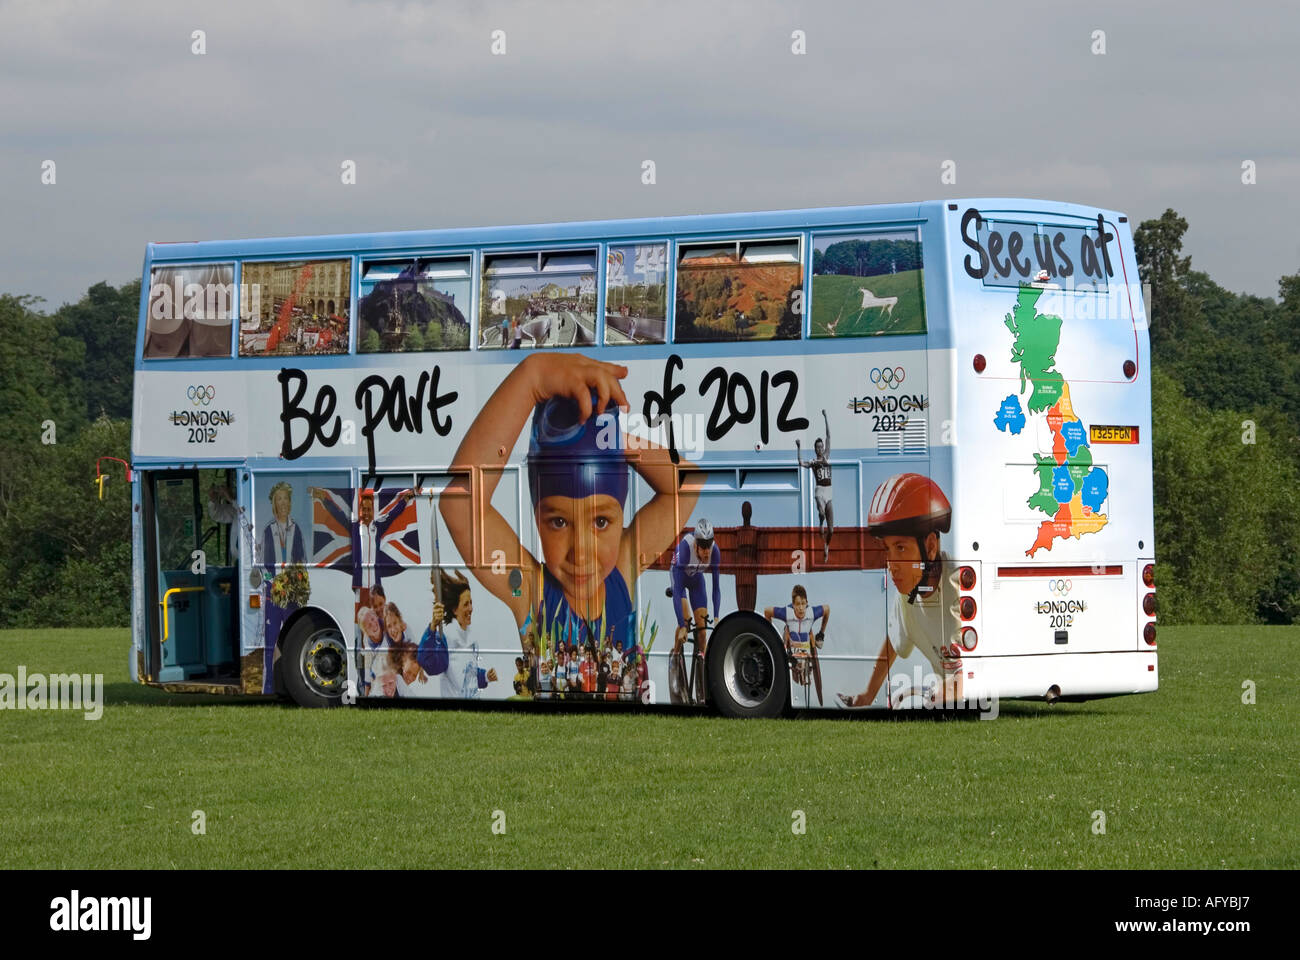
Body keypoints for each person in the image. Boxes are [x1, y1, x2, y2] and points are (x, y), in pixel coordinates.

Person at [441, 353, 696, 668]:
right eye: (559, 522)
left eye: (601, 521)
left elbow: (687, 484)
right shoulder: (533, 594)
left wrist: (614, 440)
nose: (582, 552)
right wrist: (530, 379)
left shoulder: (622, 571)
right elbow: (458, 504)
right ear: (537, 519)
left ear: (620, 519)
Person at [836, 473, 960, 709]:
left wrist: (929, 694)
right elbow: (894, 641)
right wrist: (868, 695)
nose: (891, 564)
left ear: (931, 547)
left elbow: (973, 672)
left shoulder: (959, 588)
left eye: (900, 548)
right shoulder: (907, 596)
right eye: (887, 549)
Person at [418, 569, 498, 699]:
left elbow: (467, 673)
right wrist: (433, 626)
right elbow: (430, 664)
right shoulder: (446, 637)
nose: (471, 608)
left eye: (471, 602)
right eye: (466, 604)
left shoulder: (470, 637)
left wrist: (485, 677)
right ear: (455, 610)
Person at [670, 517, 720, 704]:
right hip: (680, 581)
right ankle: (675, 661)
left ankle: (701, 679)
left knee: (702, 634)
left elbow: (716, 587)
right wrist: (681, 624)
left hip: (697, 581)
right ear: (696, 544)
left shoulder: (715, 552)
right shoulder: (685, 549)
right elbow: (677, 590)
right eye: (703, 546)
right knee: (687, 623)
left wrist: (715, 616)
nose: (707, 550)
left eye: (709, 545)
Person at [765, 584, 830, 704]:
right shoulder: (786, 612)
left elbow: (827, 609)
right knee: (794, 634)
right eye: (797, 604)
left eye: (803, 604)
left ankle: (804, 665)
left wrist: (821, 633)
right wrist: (771, 636)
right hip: (791, 639)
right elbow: (767, 611)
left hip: (804, 641)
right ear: (793, 605)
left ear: (807, 603)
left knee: (803, 636)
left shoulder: (811, 612)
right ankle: (795, 662)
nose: (800, 608)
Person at [796, 409, 834, 563]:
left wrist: (825, 416)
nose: (819, 449)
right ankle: (820, 520)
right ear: (814, 449)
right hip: (819, 491)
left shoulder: (826, 456)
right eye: (817, 447)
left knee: (831, 529)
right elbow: (800, 463)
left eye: (821, 446)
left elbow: (829, 436)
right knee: (821, 512)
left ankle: (826, 545)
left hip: (829, 491)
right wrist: (798, 447)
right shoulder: (813, 462)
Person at [733, 500, 759, 611]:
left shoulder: (755, 531)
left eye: (747, 510)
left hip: (751, 571)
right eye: (745, 510)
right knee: (742, 606)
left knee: (750, 607)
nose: (746, 512)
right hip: (740, 572)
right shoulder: (737, 532)